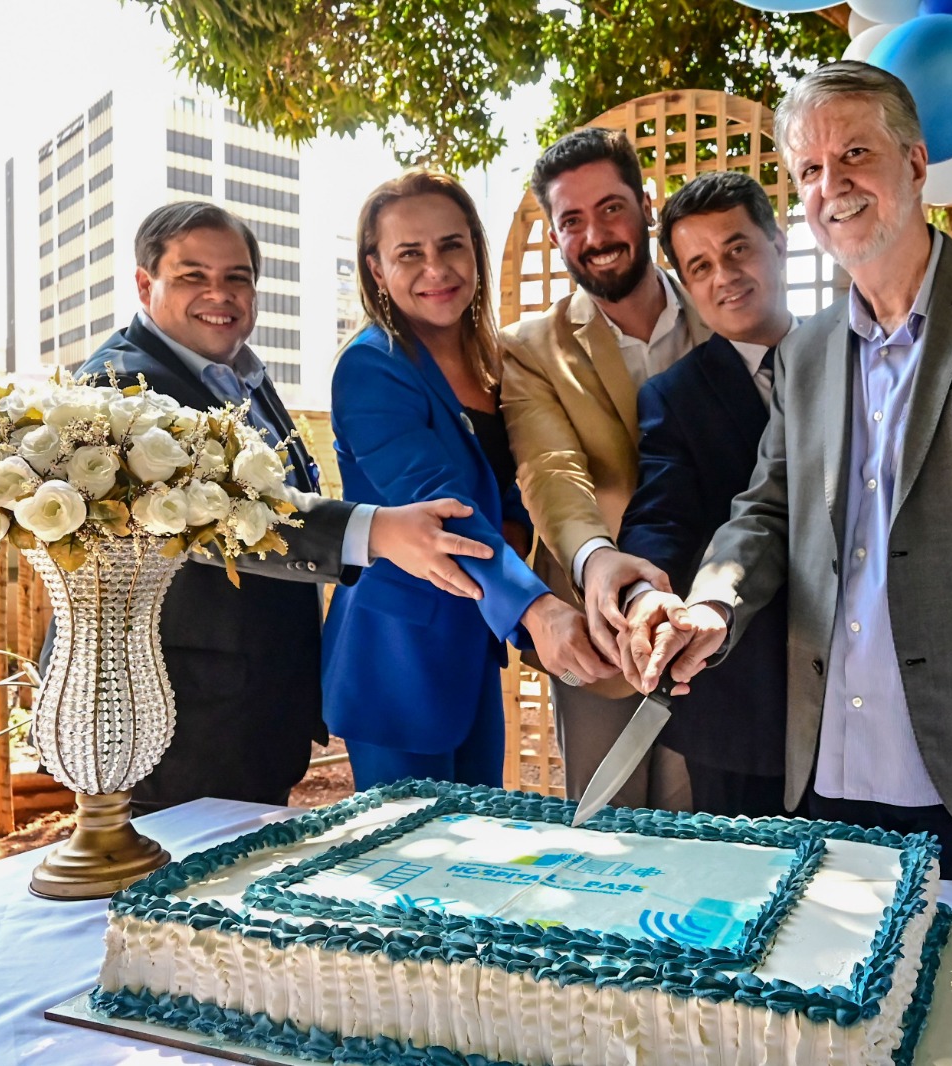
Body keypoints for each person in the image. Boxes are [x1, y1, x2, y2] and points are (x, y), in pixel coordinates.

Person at [623, 62, 952, 889]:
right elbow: (766, 508)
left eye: (855, 155)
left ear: (913, 163)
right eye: (809, 170)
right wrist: (712, 603)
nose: (833, 185)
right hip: (829, 764)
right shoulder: (805, 350)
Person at [80, 201, 494, 812]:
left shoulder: (241, 375)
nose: (219, 293)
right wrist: (377, 530)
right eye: (193, 275)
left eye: (237, 277)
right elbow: (223, 514)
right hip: (170, 718)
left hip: (250, 710)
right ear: (146, 284)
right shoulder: (119, 386)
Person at [321, 171, 614, 789]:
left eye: (451, 245)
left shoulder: (496, 363)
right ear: (376, 270)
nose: (437, 268)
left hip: (474, 651)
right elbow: (442, 509)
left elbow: (522, 488)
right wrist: (537, 611)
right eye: (410, 253)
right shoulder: (371, 367)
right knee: (408, 867)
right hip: (398, 663)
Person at [501, 127, 708, 811]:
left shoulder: (725, 313)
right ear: (558, 236)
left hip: (730, 633)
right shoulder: (531, 350)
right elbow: (552, 472)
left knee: (728, 844)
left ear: (646, 205)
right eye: (572, 220)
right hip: (605, 637)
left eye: (611, 207)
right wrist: (594, 565)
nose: (597, 233)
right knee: (611, 839)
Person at [614, 171, 794, 818]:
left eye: (739, 248)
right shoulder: (673, 397)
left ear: (778, 242)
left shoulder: (861, 361)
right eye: (701, 265)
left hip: (862, 703)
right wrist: (647, 594)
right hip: (739, 704)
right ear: (687, 286)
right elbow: (660, 513)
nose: (726, 275)